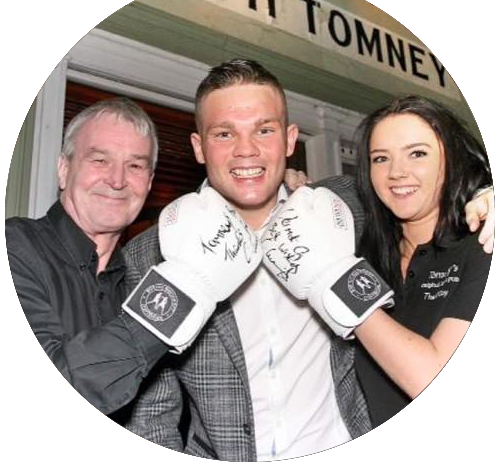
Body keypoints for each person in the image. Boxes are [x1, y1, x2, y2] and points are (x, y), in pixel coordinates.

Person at [121, 60, 493, 460]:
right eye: (225, 133)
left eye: (264, 130)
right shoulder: (150, 253)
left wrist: (485, 196)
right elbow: (151, 412)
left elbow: (422, 193)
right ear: (199, 147)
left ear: (289, 139)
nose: (246, 149)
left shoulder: (346, 208)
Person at [6, 98, 176, 420]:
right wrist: (176, 298)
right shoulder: (14, 247)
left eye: (135, 166)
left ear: (149, 184)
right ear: (64, 170)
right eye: (100, 160)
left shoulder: (139, 282)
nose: (117, 180)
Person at [351, 96, 493, 425]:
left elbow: (433, 380)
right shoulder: (365, 255)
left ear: (451, 159)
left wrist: (338, 285)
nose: (396, 172)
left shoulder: (484, 246)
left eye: (417, 153)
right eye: (380, 158)